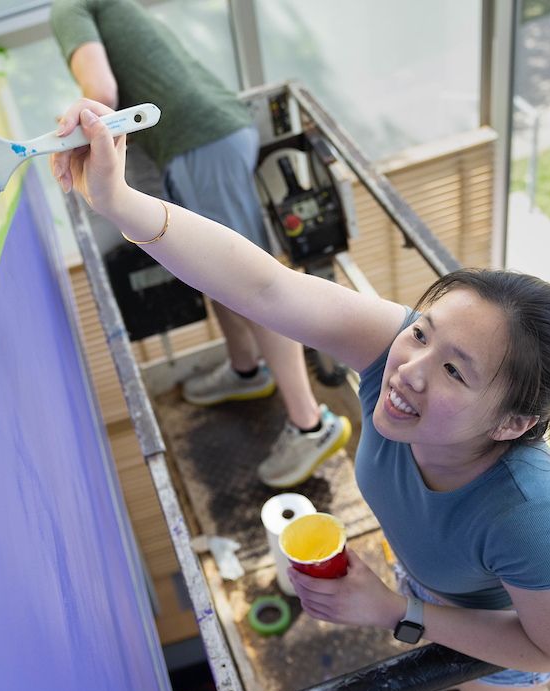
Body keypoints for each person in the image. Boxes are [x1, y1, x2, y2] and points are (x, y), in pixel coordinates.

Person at [49, 100, 550, 691]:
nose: (408, 369)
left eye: (456, 370)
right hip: (432, 587)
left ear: (513, 424)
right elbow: (263, 285)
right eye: (424, 331)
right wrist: (120, 202)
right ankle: (439, 653)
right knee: (439, 648)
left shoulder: (530, 516)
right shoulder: (394, 353)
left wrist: (397, 613)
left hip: (508, 627)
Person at [50, 0, 349, 488]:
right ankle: (246, 368)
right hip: (214, 129)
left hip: (198, 141)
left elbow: (101, 93)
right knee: (213, 270)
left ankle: (309, 424)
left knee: (255, 285)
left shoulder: (69, 8)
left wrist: (74, 132)